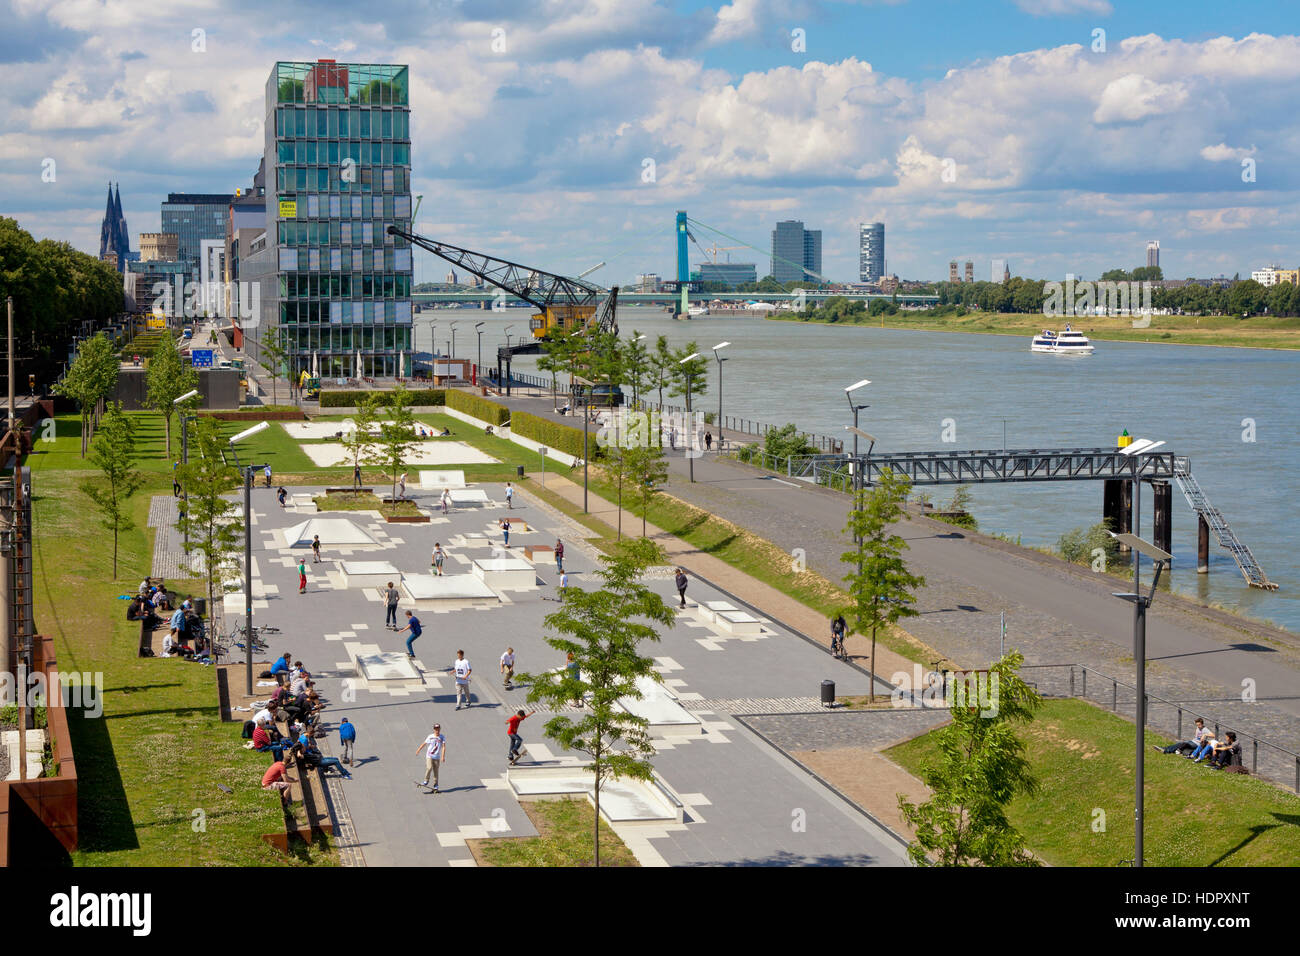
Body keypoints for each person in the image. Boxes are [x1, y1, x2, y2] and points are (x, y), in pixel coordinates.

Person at [414, 724, 445, 792]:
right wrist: (418, 750)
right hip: (429, 756)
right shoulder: (430, 736)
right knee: (429, 767)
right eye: (435, 729)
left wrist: (443, 756)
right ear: (434, 729)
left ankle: (436, 786)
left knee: (436, 772)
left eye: (438, 729)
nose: (437, 730)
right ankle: (426, 780)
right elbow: (424, 743)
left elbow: (443, 747)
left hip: (437, 757)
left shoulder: (442, 737)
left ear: (440, 729)